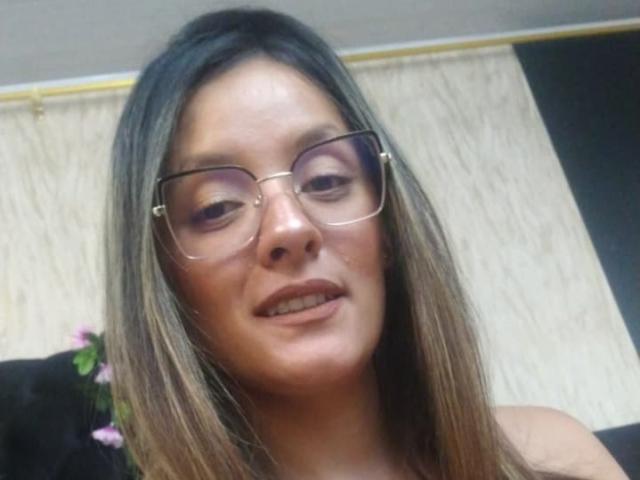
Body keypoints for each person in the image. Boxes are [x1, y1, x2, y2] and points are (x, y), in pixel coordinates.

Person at [104, 8, 628, 480]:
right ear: (165, 279)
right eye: (217, 207)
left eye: (326, 180)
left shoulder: (555, 456)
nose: (290, 227)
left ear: (388, 230)